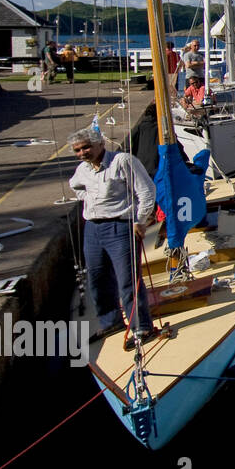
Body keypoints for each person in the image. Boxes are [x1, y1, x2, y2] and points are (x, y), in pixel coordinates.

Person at [68, 127, 159, 347]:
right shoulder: (83, 169)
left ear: (100, 144)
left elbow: (146, 191)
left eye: (86, 147)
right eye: (77, 150)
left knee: (128, 281)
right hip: (93, 228)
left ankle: (142, 327)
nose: (82, 153)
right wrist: (91, 199)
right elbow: (76, 187)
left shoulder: (122, 161)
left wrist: (140, 220)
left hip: (120, 226)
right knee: (98, 280)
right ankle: (111, 321)